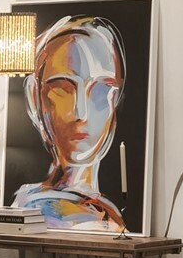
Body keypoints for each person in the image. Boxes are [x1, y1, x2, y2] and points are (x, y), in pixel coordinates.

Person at [12, 15, 127, 230]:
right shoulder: (33, 206)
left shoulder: (108, 214)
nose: (81, 113)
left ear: (116, 99)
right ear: (33, 97)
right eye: (63, 88)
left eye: (102, 89)